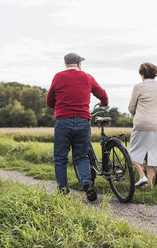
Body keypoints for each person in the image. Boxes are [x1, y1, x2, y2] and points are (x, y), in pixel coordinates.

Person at [46, 53, 108, 201]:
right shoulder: (87, 77)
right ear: (79, 64)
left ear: (66, 64)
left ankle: (63, 190)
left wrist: (58, 106)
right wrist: (104, 103)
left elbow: (49, 100)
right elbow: (103, 94)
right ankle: (87, 183)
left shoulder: (58, 77)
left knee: (60, 158)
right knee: (81, 156)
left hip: (63, 121)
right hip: (83, 120)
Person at [128, 62, 157, 187]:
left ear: (142, 74)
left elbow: (131, 108)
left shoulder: (138, 87)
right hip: (156, 125)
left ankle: (142, 176)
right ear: (155, 74)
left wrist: (135, 111)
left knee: (132, 152)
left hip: (141, 124)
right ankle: (150, 185)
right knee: (152, 155)